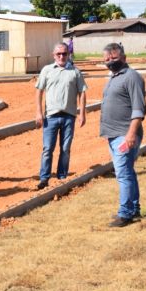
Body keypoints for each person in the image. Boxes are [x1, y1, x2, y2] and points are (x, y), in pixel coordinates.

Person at [100, 42, 146, 228]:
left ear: (124, 58)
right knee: (128, 172)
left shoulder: (132, 77)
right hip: (113, 134)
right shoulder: (114, 77)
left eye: (114, 58)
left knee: (123, 175)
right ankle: (133, 208)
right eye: (107, 59)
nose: (110, 62)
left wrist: (131, 135)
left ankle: (125, 213)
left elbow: (139, 109)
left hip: (125, 134)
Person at [35, 42, 87, 190]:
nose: (61, 56)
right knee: (47, 149)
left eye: (64, 54)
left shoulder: (75, 72)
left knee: (65, 149)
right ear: (54, 55)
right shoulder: (47, 70)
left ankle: (62, 177)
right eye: (59, 54)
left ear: (68, 54)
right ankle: (44, 178)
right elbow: (39, 91)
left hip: (69, 116)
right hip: (50, 117)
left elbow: (82, 92)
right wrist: (38, 112)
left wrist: (82, 113)